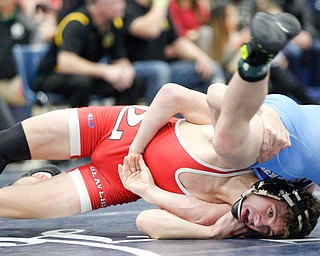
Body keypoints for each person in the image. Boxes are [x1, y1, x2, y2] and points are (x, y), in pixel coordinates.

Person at [0, 11, 319, 239]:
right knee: (6, 146)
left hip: (116, 181)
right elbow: (172, 94)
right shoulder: (246, 149)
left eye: (265, 231)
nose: (258, 221)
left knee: (5, 206)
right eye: (270, 215)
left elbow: (148, 220)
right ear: (278, 193)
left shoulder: (224, 215)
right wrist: (136, 149)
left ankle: (35, 182)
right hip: (120, 127)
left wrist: (207, 232)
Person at [33, 0, 140, 108]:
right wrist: (105, 71)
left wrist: (127, 71)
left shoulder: (111, 24)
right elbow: (66, 63)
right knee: (81, 83)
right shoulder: (76, 22)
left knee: (130, 81)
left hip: (88, 76)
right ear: (101, 4)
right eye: (117, 2)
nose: (123, 5)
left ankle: (119, 122)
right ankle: (78, 123)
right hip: (53, 75)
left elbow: (120, 59)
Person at [122, 0, 225, 104]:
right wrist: (160, 4)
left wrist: (201, 57)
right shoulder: (127, 6)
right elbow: (151, 30)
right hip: (133, 69)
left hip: (166, 68)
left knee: (211, 68)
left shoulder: (159, 9)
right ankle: (158, 118)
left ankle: (213, 114)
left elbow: (177, 41)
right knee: (159, 70)